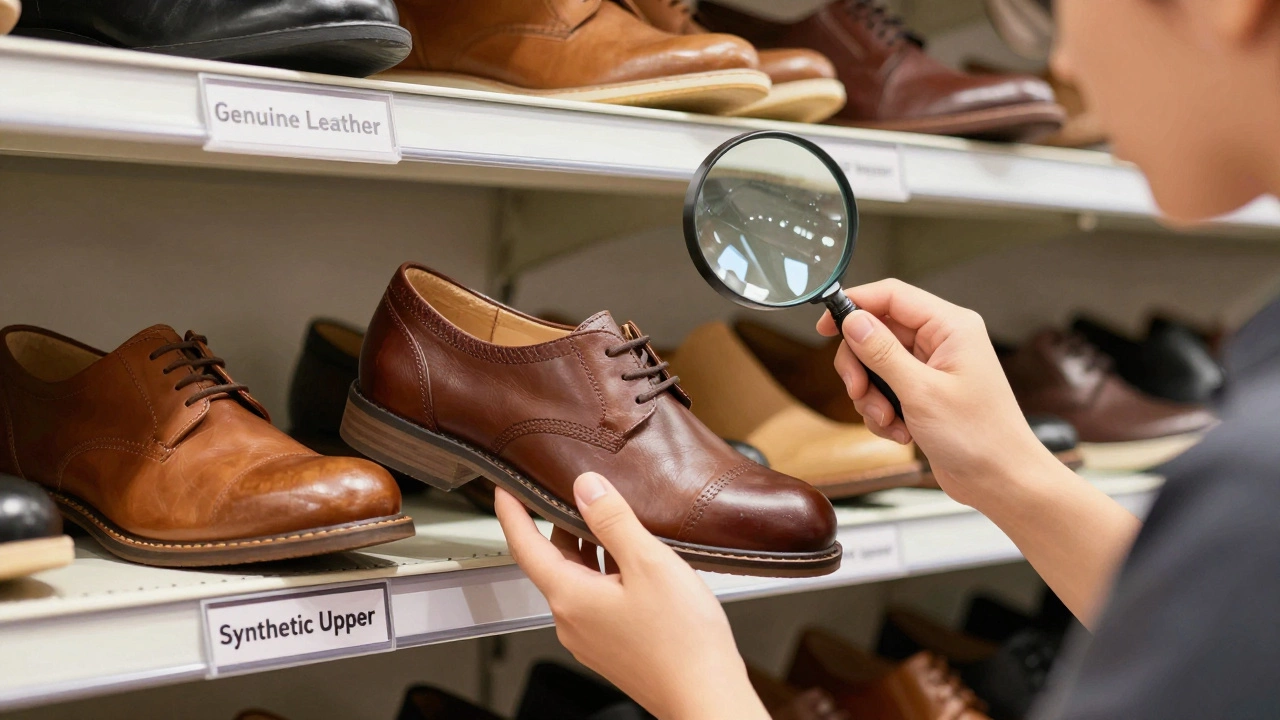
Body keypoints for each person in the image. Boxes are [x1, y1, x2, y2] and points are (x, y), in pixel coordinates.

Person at [495, 1, 1280, 718]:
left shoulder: (1254, 480)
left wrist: (697, 691)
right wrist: (1009, 471)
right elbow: (1235, 637)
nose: (1063, 65)